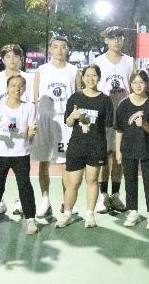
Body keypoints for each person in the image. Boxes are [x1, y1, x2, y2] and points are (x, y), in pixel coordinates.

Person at [0, 75, 39, 235]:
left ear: (24, 88)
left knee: (25, 186)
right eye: (13, 85)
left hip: (21, 154)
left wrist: (31, 132)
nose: (16, 89)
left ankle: (30, 219)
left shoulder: (29, 108)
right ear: (7, 88)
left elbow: (31, 130)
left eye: (20, 86)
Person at [56, 64, 114, 228]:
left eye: (94, 75)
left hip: (96, 147)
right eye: (87, 75)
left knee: (92, 180)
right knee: (73, 183)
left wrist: (100, 143)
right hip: (76, 146)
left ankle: (89, 215)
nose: (90, 78)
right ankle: (67, 214)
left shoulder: (105, 100)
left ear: (99, 78)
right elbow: (68, 123)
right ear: (82, 78)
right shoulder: (75, 98)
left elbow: (108, 126)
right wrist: (73, 116)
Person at [32, 35, 81, 218]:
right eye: (56, 46)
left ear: (67, 49)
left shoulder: (74, 71)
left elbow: (79, 97)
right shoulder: (42, 70)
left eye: (63, 46)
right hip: (47, 121)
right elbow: (35, 98)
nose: (60, 50)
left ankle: (66, 201)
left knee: (66, 163)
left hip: (67, 122)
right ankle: (45, 201)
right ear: (50, 49)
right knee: (44, 161)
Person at [91, 26, 134, 215]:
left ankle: (115, 194)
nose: (116, 41)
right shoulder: (98, 61)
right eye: (112, 38)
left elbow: (135, 87)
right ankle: (103, 195)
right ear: (106, 40)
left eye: (119, 37)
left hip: (123, 115)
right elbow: (92, 87)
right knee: (104, 155)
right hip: (104, 115)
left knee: (119, 156)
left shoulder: (130, 61)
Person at [115, 69, 149, 229]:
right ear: (130, 84)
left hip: (147, 148)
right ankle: (133, 212)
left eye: (141, 82)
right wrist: (118, 151)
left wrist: (144, 125)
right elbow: (119, 130)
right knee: (130, 181)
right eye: (134, 82)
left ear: (146, 84)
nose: (138, 85)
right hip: (128, 149)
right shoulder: (123, 104)